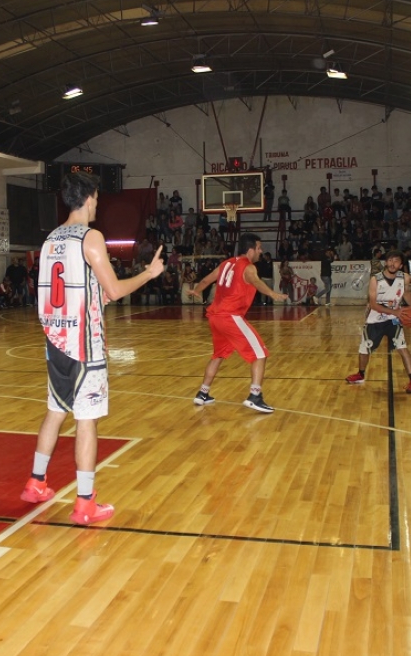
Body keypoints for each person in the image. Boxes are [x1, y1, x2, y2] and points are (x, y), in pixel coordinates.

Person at [20, 171, 164, 526]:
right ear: (87, 198)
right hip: (84, 345)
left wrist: (97, 299)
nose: (98, 204)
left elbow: (83, 290)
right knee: (86, 419)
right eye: (97, 198)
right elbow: (114, 290)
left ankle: (35, 482)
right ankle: (85, 503)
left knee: (55, 410)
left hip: (55, 341)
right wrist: (149, 273)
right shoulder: (91, 237)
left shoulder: (51, 238)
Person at [188, 232, 289, 413]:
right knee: (260, 353)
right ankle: (255, 396)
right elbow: (257, 283)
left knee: (218, 355)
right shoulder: (249, 268)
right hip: (230, 316)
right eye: (259, 248)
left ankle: (202, 393)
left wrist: (196, 291)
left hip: (215, 317)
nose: (261, 251)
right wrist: (273, 294)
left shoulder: (226, 263)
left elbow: (206, 280)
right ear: (250, 250)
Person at [345, 251, 411, 394]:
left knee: (402, 347)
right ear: (386, 262)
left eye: (396, 261)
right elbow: (373, 305)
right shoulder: (375, 279)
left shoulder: (405, 278)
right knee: (364, 349)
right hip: (375, 319)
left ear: (401, 265)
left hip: (393, 321)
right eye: (390, 260)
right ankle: (360, 374)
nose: (392, 263)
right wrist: (395, 312)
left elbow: (407, 294)